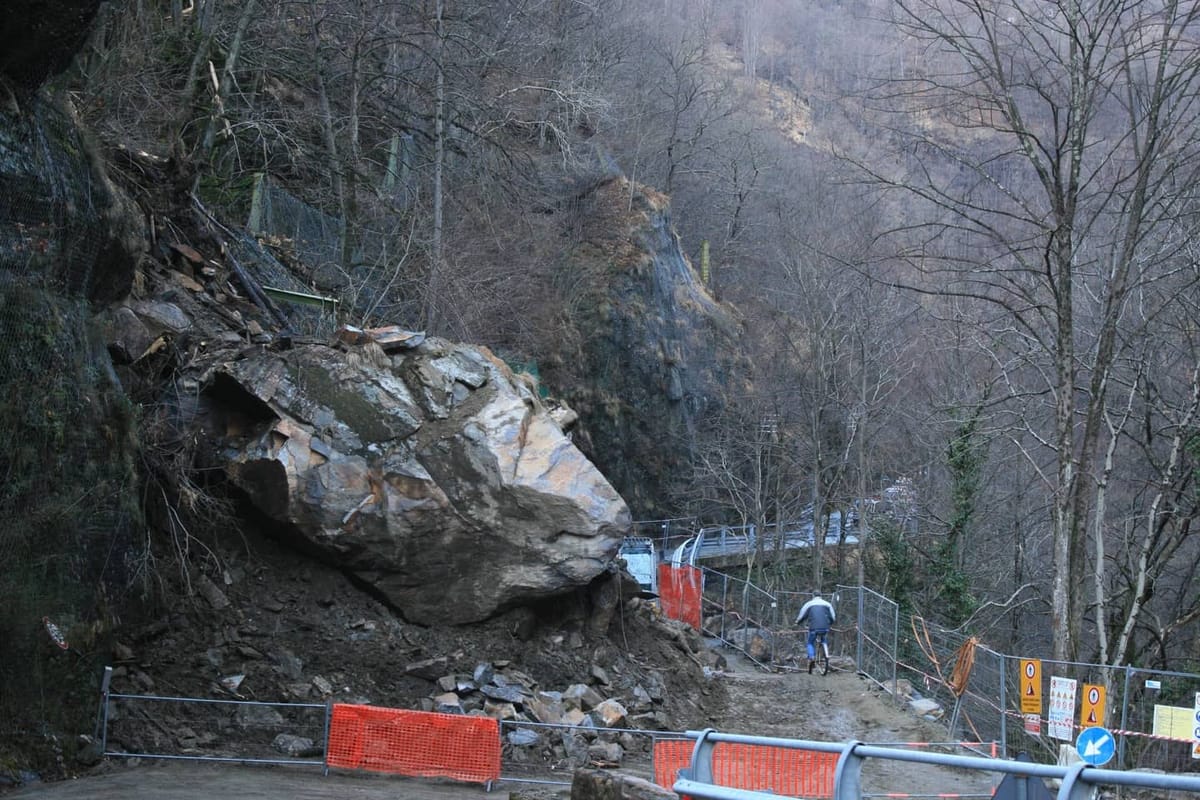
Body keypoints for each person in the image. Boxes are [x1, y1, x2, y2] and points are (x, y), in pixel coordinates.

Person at [795, 591, 835, 673]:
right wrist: (830, 623)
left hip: (813, 628)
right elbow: (833, 616)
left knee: (810, 643)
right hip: (825, 627)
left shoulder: (809, 604)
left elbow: (802, 615)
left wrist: (797, 622)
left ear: (813, 596)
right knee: (823, 639)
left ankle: (812, 657)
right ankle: (825, 652)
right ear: (821, 596)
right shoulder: (827, 604)